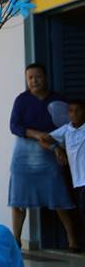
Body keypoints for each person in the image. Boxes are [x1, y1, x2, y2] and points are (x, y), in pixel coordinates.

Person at [8, 64, 77, 250]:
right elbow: (14, 126)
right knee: (18, 199)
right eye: (30, 77)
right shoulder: (21, 100)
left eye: (37, 76)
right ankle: (16, 240)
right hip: (23, 154)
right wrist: (37, 134)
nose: (34, 81)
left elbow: (68, 127)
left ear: (45, 77)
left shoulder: (58, 100)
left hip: (50, 151)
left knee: (58, 195)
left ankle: (72, 240)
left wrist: (56, 146)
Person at [42, 97, 84, 252]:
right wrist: (56, 149)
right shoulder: (66, 130)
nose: (74, 114)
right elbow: (43, 139)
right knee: (80, 212)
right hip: (77, 181)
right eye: (71, 111)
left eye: (78, 111)